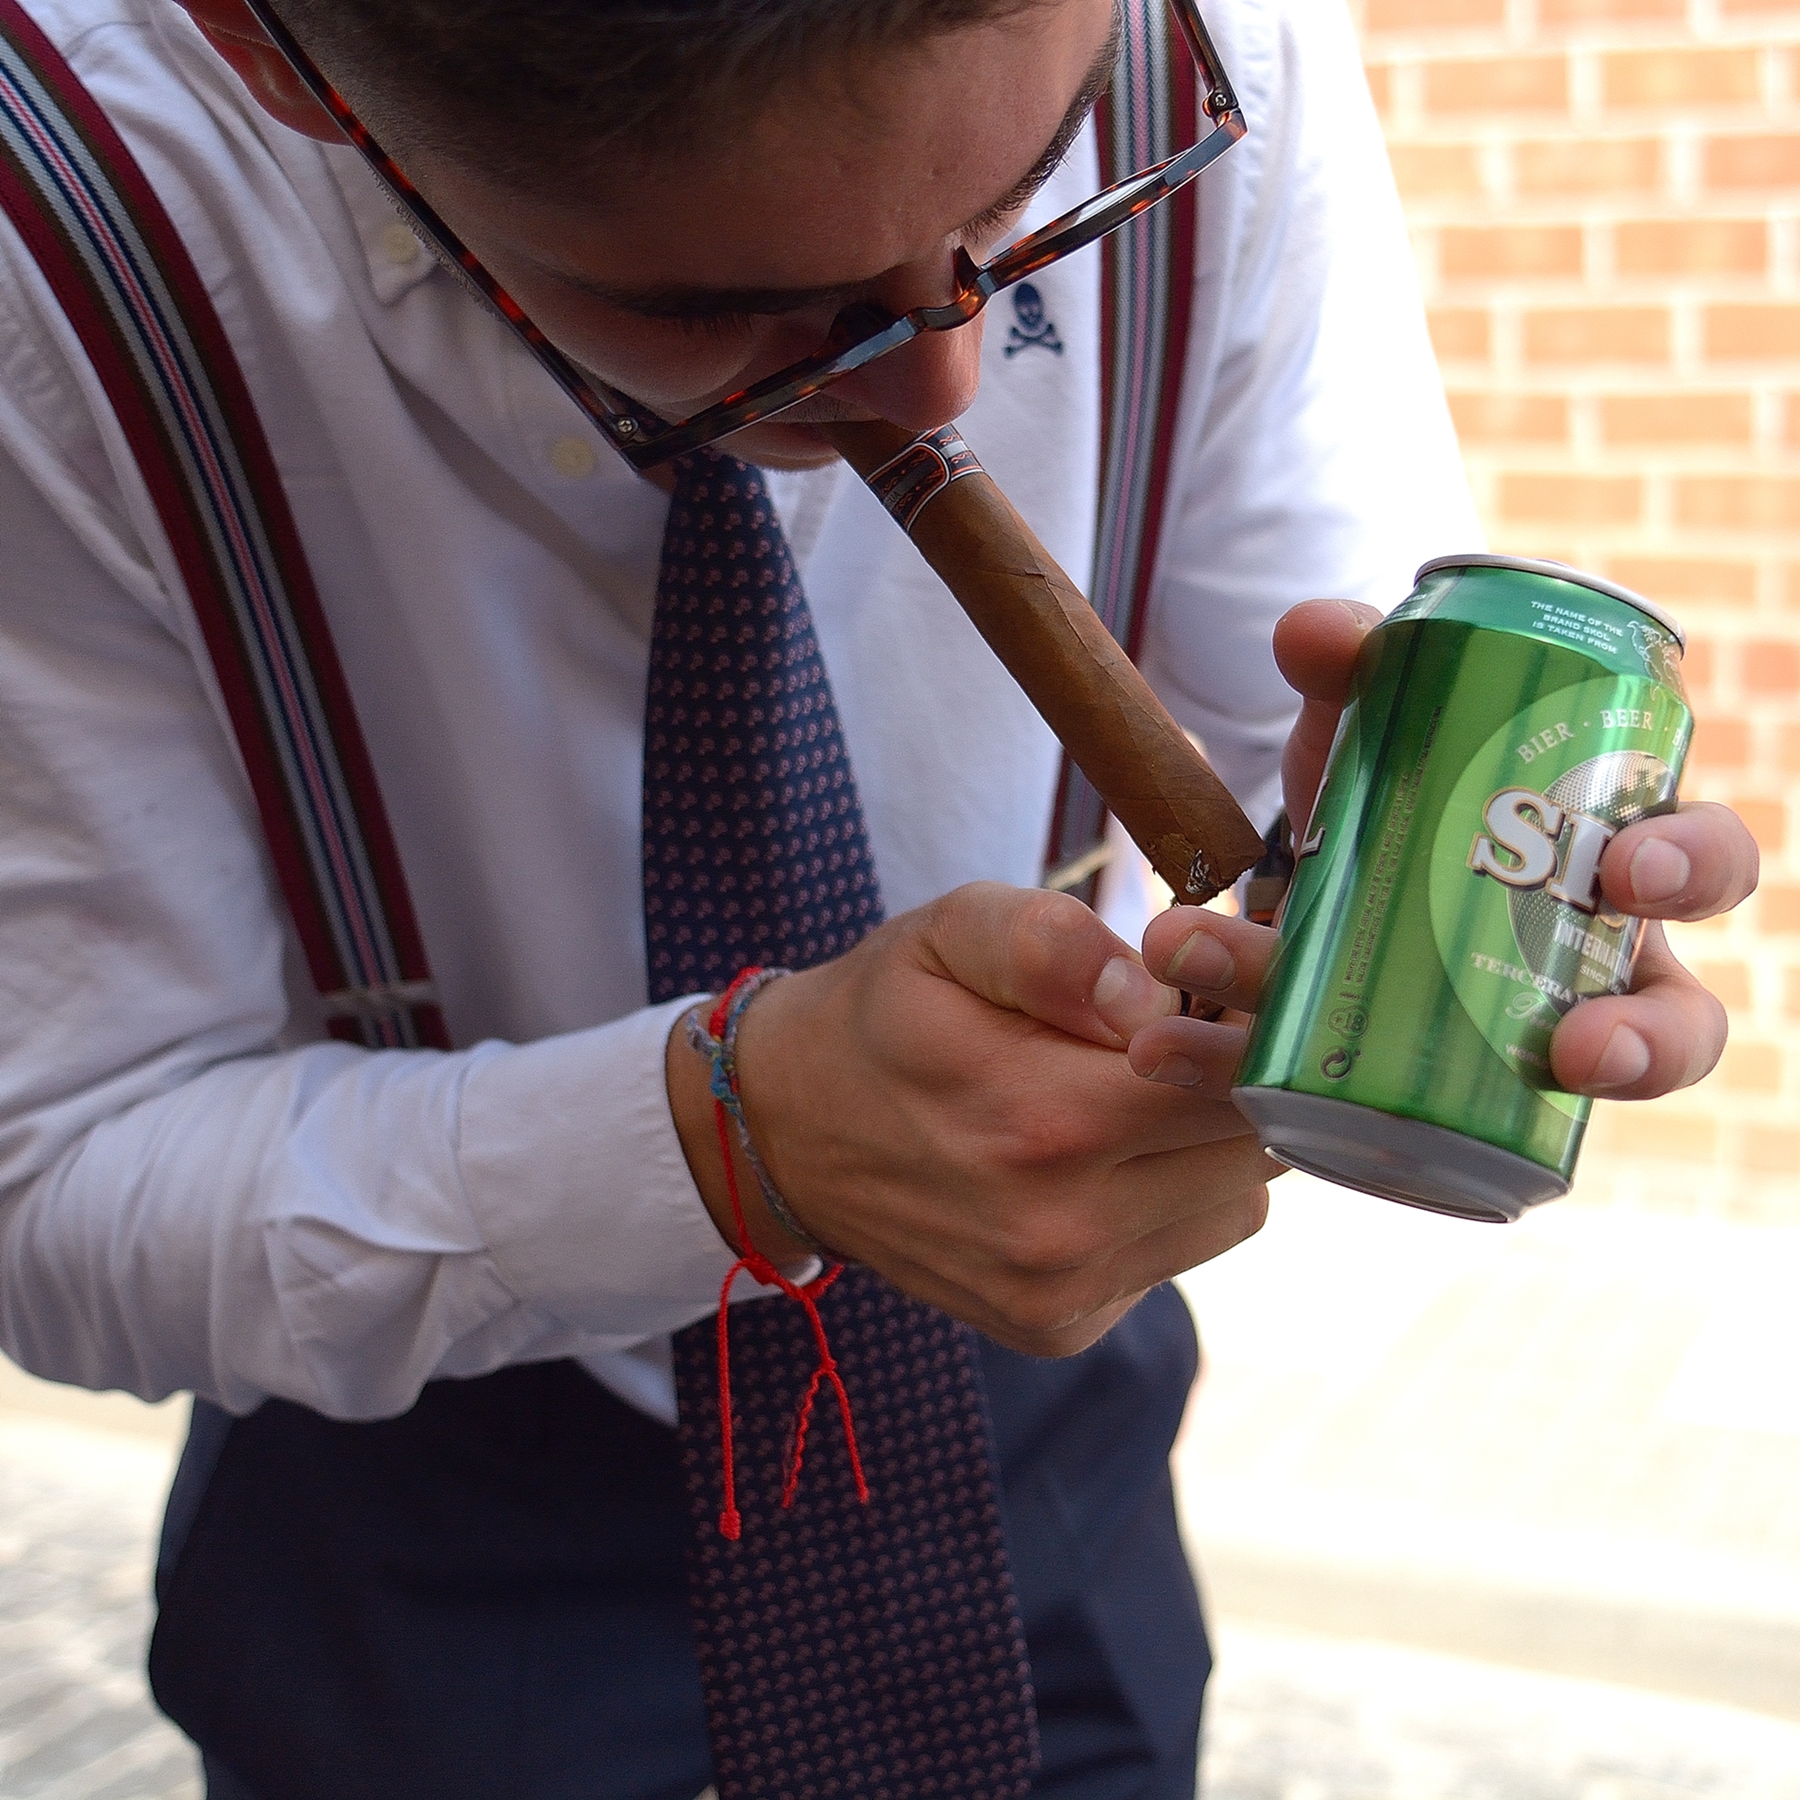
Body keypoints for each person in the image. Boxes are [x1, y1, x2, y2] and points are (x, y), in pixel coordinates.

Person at [0, 0, 1758, 1795]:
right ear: (275, 53)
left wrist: (1415, 899)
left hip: (1044, 1457)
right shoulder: (53, 228)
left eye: (1035, 194)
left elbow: (1283, 749)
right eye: (729, 310)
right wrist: (724, 1140)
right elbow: (53, 1174)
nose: (950, 384)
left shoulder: (1208, 49)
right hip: (416, 1504)